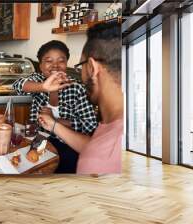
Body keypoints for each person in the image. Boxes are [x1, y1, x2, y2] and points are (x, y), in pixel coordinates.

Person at [38, 21, 123, 175]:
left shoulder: (95, 163)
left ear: (92, 67)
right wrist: (53, 124)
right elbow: (94, 145)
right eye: (49, 61)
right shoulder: (116, 128)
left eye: (81, 65)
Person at [12, 40, 98, 173]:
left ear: (66, 64)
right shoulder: (38, 79)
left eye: (61, 61)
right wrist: (43, 87)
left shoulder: (76, 88)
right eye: (48, 61)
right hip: (40, 139)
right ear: (40, 65)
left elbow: (89, 125)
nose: (55, 65)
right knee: (29, 168)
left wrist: (54, 121)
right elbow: (17, 85)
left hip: (67, 144)